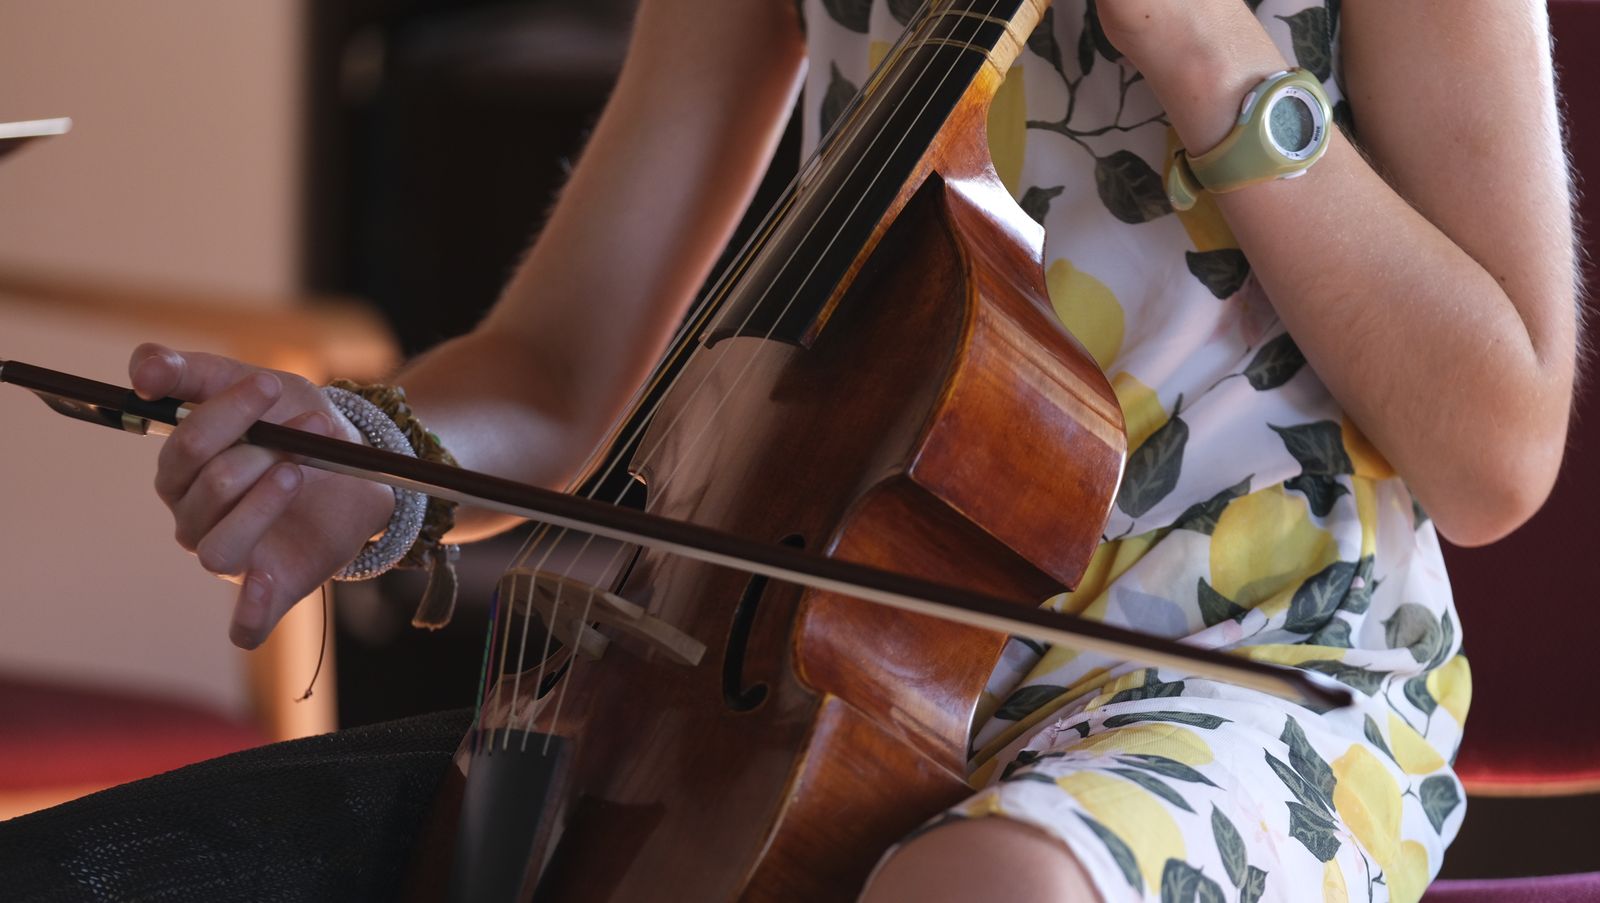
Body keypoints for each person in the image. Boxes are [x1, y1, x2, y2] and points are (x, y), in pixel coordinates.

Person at [100, 0, 1581, 900]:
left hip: (1252, 676)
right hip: (804, 672)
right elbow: (552, 374)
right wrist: (373, 454)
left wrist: (1200, 41)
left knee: (987, 892)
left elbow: (1495, 458)